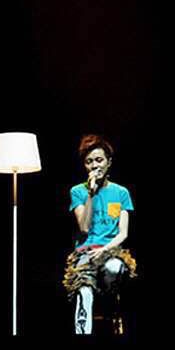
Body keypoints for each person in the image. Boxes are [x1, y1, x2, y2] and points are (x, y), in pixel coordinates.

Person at [62, 134, 137, 335]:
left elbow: (123, 233)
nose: (94, 165)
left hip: (110, 252)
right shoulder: (78, 191)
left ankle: (111, 308)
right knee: (84, 290)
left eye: (99, 160)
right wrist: (91, 193)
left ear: (108, 162)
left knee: (114, 268)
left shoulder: (121, 192)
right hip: (85, 255)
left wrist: (104, 249)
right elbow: (84, 227)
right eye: (89, 162)